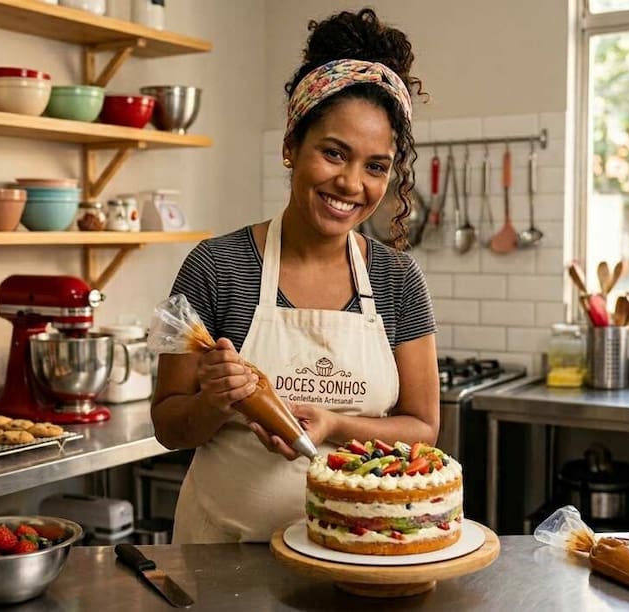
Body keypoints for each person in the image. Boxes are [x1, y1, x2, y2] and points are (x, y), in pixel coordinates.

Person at [151, 8, 439, 544]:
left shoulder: (399, 279)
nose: (352, 183)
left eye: (376, 166)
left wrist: (334, 424)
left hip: (357, 551)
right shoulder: (216, 266)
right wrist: (214, 400)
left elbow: (422, 427)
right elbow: (168, 426)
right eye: (334, 153)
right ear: (291, 147)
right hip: (224, 555)